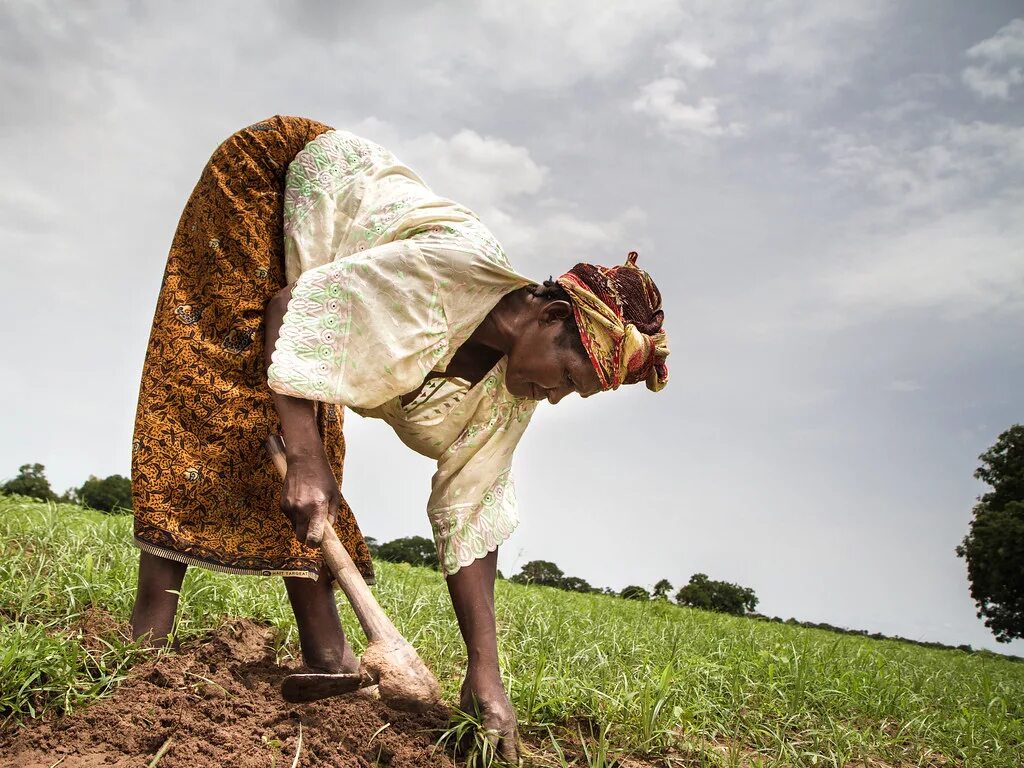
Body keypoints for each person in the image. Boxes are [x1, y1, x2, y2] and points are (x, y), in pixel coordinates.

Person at [129, 115, 669, 760]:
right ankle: (145, 649)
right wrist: (303, 459)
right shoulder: (450, 274)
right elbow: (293, 312)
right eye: (569, 375)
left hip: (321, 274)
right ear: (551, 317)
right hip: (276, 181)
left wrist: (484, 671)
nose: (557, 395)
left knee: (310, 444)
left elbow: (471, 509)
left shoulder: (509, 394)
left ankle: (327, 657)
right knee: (219, 393)